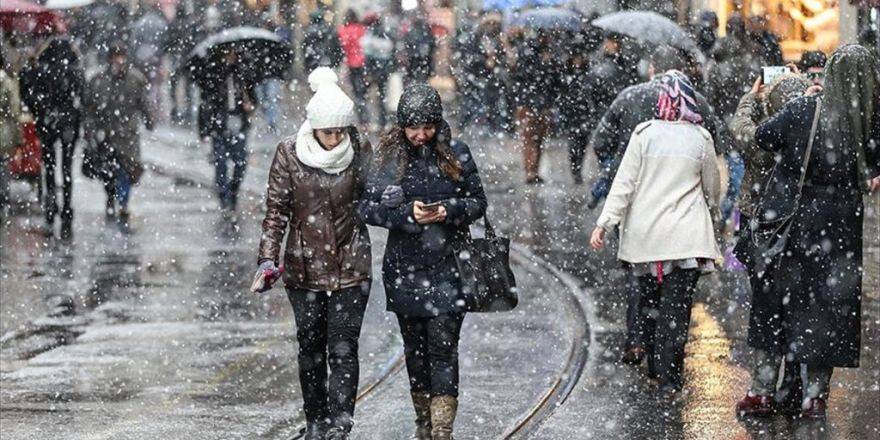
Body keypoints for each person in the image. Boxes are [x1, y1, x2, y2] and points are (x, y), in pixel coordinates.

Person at [746, 45, 879, 419]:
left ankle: (762, 391)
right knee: (827, 310)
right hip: (841, 230)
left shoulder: (807, 109)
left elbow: (763, 137)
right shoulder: (869, 121)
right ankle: (815, 397)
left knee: (775, 304)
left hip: (795, 222)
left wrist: (789, 100)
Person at [358, 84, 487, 440]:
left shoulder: (457, 154)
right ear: (401, 126)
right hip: (405, 270)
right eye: (413, 127)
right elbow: (366, 208)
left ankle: (442, 428)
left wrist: (447, 210)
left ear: (438, 123)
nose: (420, 135)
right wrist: (405, 215)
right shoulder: (387, 160)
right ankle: (423, 420)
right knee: (415, 350)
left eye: (427, 127)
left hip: (450, 267)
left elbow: (478, 202)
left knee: (443, 348)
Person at [256, 67, 372, 440]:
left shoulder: (359, 148)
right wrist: (268, 259)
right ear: (313, 127)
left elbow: (372, 197)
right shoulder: (289, 153)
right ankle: (316, 419)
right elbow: (276, 212)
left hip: (351, 265)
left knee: (343, 347)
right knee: (310, 348)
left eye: (340, 131)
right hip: (303, 269)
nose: (335, 139)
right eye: (328, 132)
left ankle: (340, 421)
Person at [591, 72, 721, 393]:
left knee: (649, 306)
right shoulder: (701, 138)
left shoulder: (644, 134)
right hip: (686, 241)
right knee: (677, 311)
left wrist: (604, 223)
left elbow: (624, 183)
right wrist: (713, 210)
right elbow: (712, 187)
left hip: (646, 239)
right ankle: (669, 378)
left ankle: (652, 367)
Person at [730, 72, 813, 417]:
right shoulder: (810, 130)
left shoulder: (765, 137)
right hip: (801, 229)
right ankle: (794, 386)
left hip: (763, 231)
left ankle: (762, 390)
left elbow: (740, 129)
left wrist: (751, 97)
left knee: (766, 310)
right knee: (797, 309)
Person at [589, 45, 731, 209]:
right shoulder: (696, 101)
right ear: (681, 72)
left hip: (633, 188)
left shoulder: (628, 96)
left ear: (651, 69)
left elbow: (600, 141)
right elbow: (715, 146)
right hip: (681, 192)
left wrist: (615, 168)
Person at [19, 36, 85, 238]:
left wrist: (40, 111)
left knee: (49, 166)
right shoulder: (73, 68)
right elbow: (83, 96)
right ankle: (67, 209)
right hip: (68, 123)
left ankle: (51, 205)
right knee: (66, 168)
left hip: (47, 122)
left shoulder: (40, 68)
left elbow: (26, 91)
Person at [83, 44, 155, 227]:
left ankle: (123, 203)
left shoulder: (135, 79)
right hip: (106, 134)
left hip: (127, 135)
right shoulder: (99, 81)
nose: (119, 60)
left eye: (122, 56)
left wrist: (149, 119)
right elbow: (90, 108)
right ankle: (110, 198)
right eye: (116, 56)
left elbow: (143, 102)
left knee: (127, 170)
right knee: (108, 172)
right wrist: (90, 130)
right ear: (109, 59)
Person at [562, 31, 638, 184]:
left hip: (600, 113)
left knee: (596, 145)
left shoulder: (605, 67)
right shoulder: (619, 66)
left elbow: (592, 92)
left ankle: (602, 176)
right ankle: (604, 176)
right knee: (599, 146)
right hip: (602, 112)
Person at [196, 48, 257, 212]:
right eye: (227, 54)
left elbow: (253, 98)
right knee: (221, 163)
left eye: (233, 54)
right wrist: (203, 130)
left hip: (239, 123)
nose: (230, 56)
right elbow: (205, 103)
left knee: (240, 162)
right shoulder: (213, 75)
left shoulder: (243, 74)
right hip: (219, 125)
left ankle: (233, 190)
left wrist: (249, 105)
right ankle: (224, 197)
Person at [510, 28, 562, 184]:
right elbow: (524, 77)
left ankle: (534, 170)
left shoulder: (547, 54)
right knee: (530, 139)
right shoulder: (529, 53)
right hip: (531, 104)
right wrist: (545, 65)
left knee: (538, 139)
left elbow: (554, 81)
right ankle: (530, 171)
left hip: (541, 104)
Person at [361, 13, 396, 129]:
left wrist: (367, 71)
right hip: (383, 70)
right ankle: (383, 122)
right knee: (382, 96)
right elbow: (391, 51)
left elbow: (367, 52)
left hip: (374, 69)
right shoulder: (386, 33)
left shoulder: (370, 35)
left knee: (367, 96)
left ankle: (369, 121)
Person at [338, 10, 369, 125]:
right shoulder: (362, 29)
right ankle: (365, 119)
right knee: (362, 92)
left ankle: (361, 119)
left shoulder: (343, 30)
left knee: (356, 92)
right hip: (363, 63)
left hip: (351, 64)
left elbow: (343, 47)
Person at [0, 62, 23, 216]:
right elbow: (14, 112)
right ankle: (3, 202)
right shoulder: (7, 83)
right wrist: (18, 138)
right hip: (3, 133)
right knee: (3, 167)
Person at [402, 17, 436, 84]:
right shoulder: (426, 33)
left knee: (415, 76)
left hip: (415, 58)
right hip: (423, 59)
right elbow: (432, 44)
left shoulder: (413, 32)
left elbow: (407, 44)